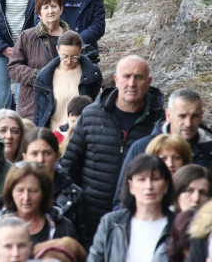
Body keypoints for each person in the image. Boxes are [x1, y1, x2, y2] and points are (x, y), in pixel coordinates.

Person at [61, 55, 164, 230]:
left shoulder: (159, 123)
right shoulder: (91, 115)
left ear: (148, 82)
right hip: (89, 219)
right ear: (116, 79)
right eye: (126, 76)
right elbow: (69, 167)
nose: (131, 83)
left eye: (138, 77)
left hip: (136, 220)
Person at [116, 88, 212, 206]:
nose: (188, 123)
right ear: (168, 115)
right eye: (182, 116)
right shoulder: (141, 149)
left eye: (194, 116)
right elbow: (122, 201)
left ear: (201, 115)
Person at [88, 154, 175, 262]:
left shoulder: (179, 226)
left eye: (155, 179)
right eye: (141, 179)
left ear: (166, 185)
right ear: (130, 186)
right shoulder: (111, 223)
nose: (148, 186)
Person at [21, 127, 93, 250]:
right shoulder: (16, 192)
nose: (40, 160)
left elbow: (86, 245)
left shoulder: (75, 195)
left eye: (46, 153)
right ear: (25, 157)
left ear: (57, 155)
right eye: (34, 154)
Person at [0, 162, 77, 245]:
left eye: (33, 191)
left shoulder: (63, 227)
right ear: (10, 192)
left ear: (44, 192)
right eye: (20, 191)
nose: (26, 198)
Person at [8, 0, 70, 121]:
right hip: (33, 105)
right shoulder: (27, 36)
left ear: (61, 9)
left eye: (54, 6)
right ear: (39, 13)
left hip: (64, 106)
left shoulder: (71, 38)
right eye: (45, 7)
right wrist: (38, 76)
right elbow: (13, 67)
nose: (50, 11)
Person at [34, 31, 102, 129]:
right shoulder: (44, 76)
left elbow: (98, 105)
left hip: (80, 134)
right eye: (64, 56)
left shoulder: (92, 72)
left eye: (74, 57)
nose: (69, 62)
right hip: (53, 136)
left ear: (81, 51)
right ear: (57, 50)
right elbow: (38, 112)